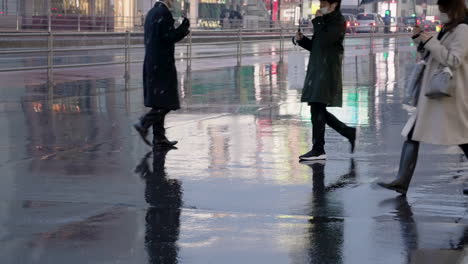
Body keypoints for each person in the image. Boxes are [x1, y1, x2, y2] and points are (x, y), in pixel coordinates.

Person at [378, 0, 468, 195]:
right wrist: (420, 41)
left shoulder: (462, 30)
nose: (440, 12)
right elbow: (431, 56)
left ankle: (402, 181)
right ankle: (402, 181)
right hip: (435, 95)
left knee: (463, 137)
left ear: (452, 9)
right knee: (413, 133)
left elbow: (453, 59)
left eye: (443, 9)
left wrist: (432, 42)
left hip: (450, 94)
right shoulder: (449, 29)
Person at [295, 0, 357, 161]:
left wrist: (318, 20)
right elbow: (317, 45)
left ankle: (319, 149)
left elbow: (324, 42)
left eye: (324, 2)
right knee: (317, 108)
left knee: (317, 107)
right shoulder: (327, 20)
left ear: (334, 4)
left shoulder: (338, 21)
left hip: (327, 71)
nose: (320, 5)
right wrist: (302, 40)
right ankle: (347, 133)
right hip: (318, 69)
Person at [134, 0, 190, 148]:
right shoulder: (163, 14)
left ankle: (159, 138)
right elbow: (168, 37)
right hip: (162, 64)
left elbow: (160, 37)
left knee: (160, 100)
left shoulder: (152, 13)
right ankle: (144, 123)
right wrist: (183, 29)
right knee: (167, 102)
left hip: (153, 63)